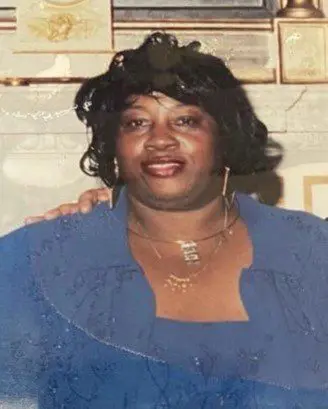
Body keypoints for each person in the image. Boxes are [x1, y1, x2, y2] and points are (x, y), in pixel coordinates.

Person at [1, 31, 328, 409]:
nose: (160, 140)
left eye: (186, 121)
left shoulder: (311, 251)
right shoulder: (38, 260)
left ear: (224, 139)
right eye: (137, 123)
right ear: (113, 147)